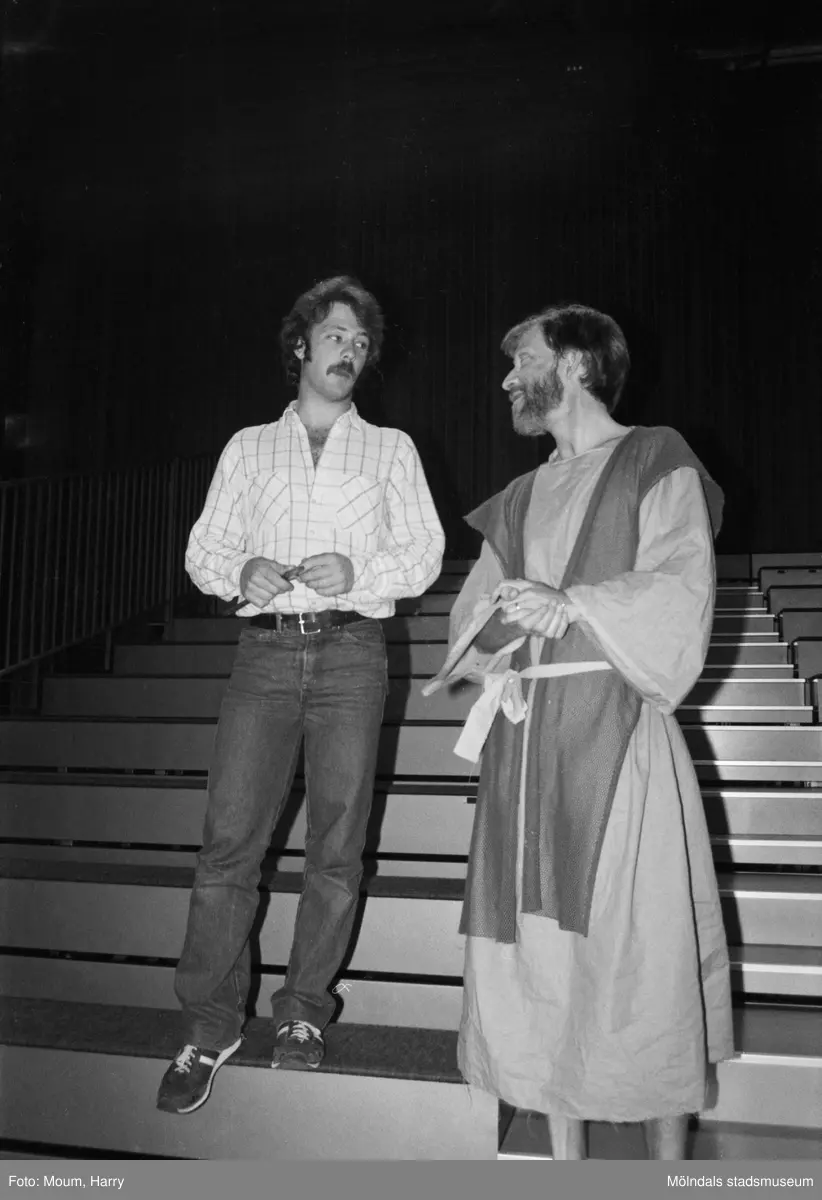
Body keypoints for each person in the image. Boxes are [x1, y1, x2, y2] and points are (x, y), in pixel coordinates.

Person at [425, 303, 734, 1159]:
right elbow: (468, 625)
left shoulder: (655, 457)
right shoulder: (518, 498)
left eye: (521, 358)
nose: (506, 379)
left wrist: (571, 603)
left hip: (617, 736)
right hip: (525, 749)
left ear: (574, 364)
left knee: (641, 951)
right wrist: (502, 618)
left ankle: (671, 1173)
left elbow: (682, 583)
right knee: (540, 959)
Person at [157, 275, 445, 1114]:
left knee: (337, 850)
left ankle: (303, 1015)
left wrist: (361, 570)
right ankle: (209, 1027)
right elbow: (204, 552)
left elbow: (424, 552)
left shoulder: (391, 449)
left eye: (362, 342)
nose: (350, 350)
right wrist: (240, 568)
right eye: (337, 336)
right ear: (301, 345)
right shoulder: (248, 448)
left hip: (354, 654)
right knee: (228, 847)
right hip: (265, 656)